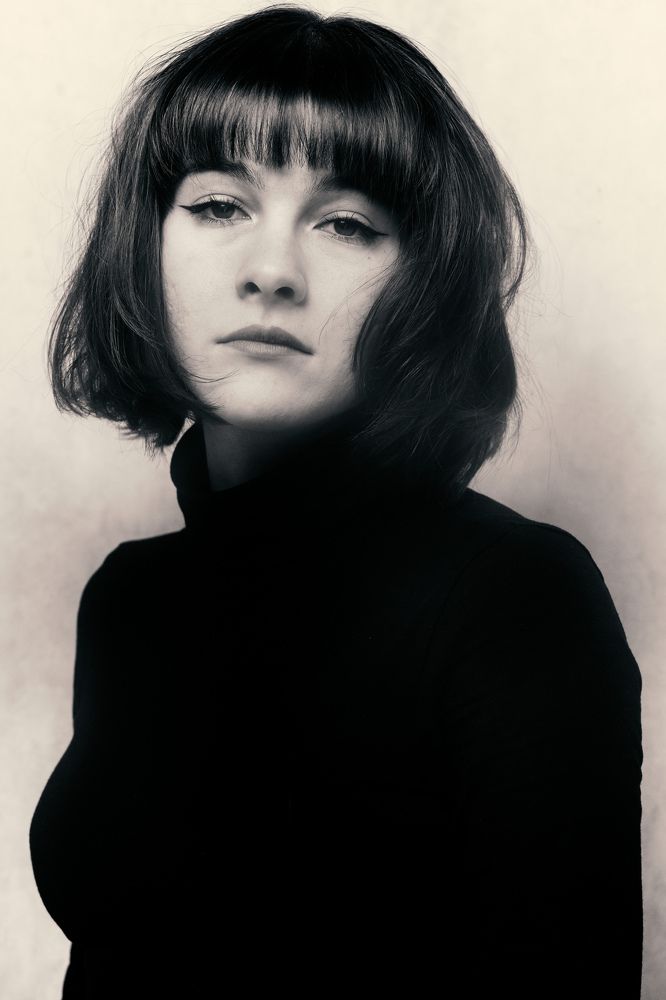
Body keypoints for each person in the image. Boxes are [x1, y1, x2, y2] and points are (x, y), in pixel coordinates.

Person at [29, 5, 643, 998]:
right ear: (144, 241)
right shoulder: (130, 600)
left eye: (347, 225)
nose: (272, 272)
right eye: (219, 206)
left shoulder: (515, 597)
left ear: (424, 286)